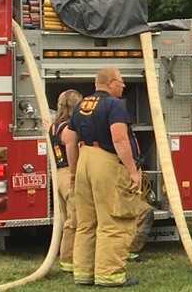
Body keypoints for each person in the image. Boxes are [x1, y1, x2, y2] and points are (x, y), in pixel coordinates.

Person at [64, 68, 149, 287]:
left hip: (84, 160)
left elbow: (70, 140)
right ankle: (109, 275)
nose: (123, 86)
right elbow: (120, 139)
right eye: (121, 82)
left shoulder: (81, 105)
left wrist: (74, 171)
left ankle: (84, 273)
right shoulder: (115, 105)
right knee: (113, 220)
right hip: (106, 162)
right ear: (111, 83)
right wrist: (132, 170)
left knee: (86, 223)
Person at [51, 89, 83, 274]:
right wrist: (75, 174)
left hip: (57, 173)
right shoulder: (69, 128)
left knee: (66, 217)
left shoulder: (54, 125)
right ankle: (69, 259)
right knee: (75, 219)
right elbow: (72, 152)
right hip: (68, 173)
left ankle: (67, 258)